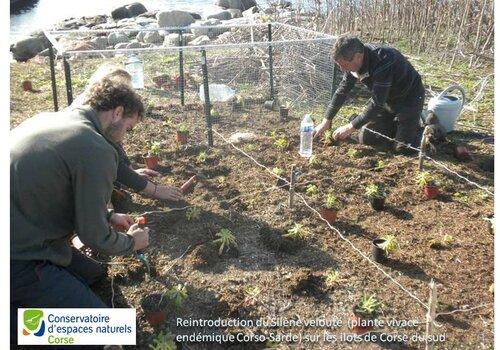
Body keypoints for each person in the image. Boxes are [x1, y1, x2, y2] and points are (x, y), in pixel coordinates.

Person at [10, 78, 149, 345]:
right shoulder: (96, 148)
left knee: (93, 274)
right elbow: (93, 237)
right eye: (128, 129)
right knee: (109, 334)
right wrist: (132, 243)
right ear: (117, 112)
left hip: (23, 227)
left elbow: (49, 189)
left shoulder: (48, 119)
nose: (124, 138)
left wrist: (108, 215)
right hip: (20, 256)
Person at [70, 64, 182, 202]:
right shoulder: (90, 123)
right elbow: (112, 164)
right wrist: (154, 190)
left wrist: (131, 172)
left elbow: (115, 148)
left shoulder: (103, 116)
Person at [314, 34, 426, 154]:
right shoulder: (353, 63)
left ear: (358, 56)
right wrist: (327, 120)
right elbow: (342, 90)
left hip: (409, 97)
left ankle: (417, 129)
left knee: (403, 149)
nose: (343, 69)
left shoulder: (383, 61)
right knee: (367, 139)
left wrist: (349, 127)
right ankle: (398, 126)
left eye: (345, 65)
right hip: (387, 99)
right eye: (340, 66)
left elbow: (377, 104)